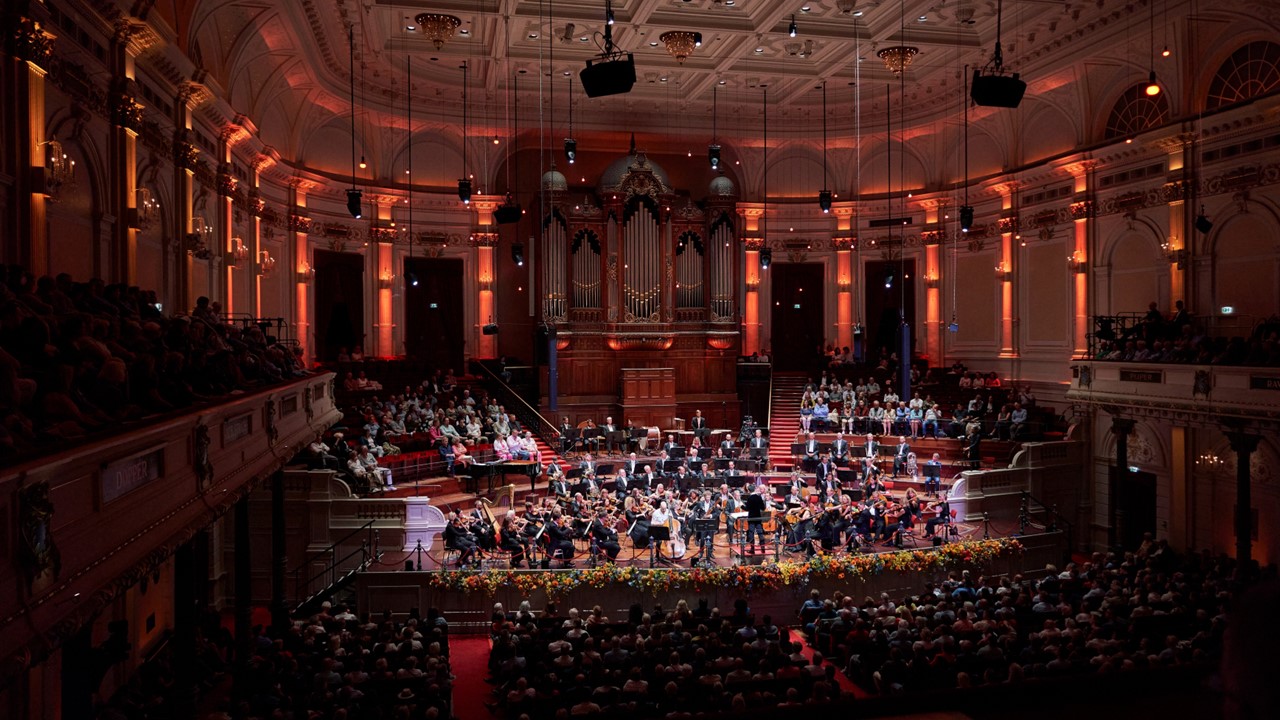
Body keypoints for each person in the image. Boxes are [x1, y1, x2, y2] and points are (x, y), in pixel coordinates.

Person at [744, 483, 768, 553]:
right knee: (760, 532)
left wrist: (741, 506)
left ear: (749, 491)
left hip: (751, 518)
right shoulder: (759, 497)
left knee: (751, 533)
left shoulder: (750, 498)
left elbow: (747, 508)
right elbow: (763, 508)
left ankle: (752, 549)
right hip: (758, 517)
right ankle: (763, 549)